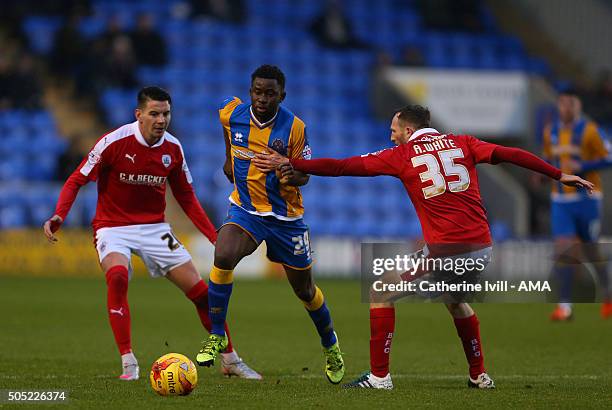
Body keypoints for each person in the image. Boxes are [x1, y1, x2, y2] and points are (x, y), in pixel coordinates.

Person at [253, 105, 594, 389]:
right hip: (483, 246)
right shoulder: (463, 142)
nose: (391, 135)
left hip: (447, 250)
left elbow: (343, 166)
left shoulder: (402, 155)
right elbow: (510, 154)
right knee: (455, 301)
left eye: (393, 129)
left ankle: (380, 377)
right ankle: (479, 375)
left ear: (407, 128)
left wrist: (292, 163)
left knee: (380, 291)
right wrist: (557, 174)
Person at [43, 86, 261, 381]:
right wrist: (59, 214)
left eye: (166, 113)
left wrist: (213, 235)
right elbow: (75, 180)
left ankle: (230, 359)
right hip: (112, 226)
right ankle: (128, 362)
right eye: (154, 113)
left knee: (202, 295)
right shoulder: (113, 142)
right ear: (139, 115)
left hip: (154, 228)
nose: (161, 119)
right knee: (118, 277)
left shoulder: (173, 149)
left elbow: (187, 198)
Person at [195, 65, 345, 384]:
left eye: (270, 93)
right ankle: (218, 335)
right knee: (222, 256)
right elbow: (227, 132)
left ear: (282, 95)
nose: (262, 98)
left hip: (285, 219)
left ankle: (331, 345)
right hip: (246, 209)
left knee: (304, 290)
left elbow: (304, 172)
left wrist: (291, 173)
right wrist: (227, 157)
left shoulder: (295, 128)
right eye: (257, 91)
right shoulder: (231, 112)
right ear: (250, 91)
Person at [543, 89, 611, 320]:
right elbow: (548, 160)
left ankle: (608, 295)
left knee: (591, 249)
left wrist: (582, 166)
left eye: (571, 103)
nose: (567, 107)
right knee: (564, 249)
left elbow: (609, 157)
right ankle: (565, 306)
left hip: (587, 199)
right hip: (560, 201)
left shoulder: (590, 131)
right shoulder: (550, 131)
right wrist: (541, 173)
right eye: (563, 103)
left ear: (578, 106)